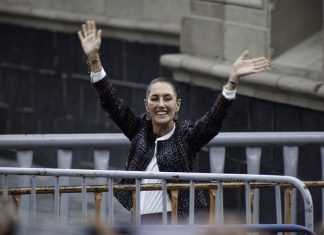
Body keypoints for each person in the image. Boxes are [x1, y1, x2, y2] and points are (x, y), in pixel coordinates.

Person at [78, 20, 270, 224]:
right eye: (155, 99)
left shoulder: (186, 137)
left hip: (176, 223)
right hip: (140, 224)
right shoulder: (139, 130)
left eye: (167, 98)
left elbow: (214, 119)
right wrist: (94, 60)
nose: (161, 104)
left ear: (177, 105)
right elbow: (111, 102)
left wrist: (232, 81)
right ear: (146, 105)